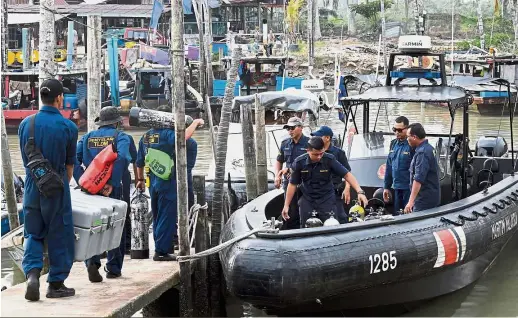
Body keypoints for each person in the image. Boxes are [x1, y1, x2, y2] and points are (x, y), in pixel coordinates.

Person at [19, 79, 78, 300]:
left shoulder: (27, 124)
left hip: (32, 186)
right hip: (57, 186)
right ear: (59, 98)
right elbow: (70, 165)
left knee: (33, 233)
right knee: (59, 233)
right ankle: (55, 284)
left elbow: (27, 161)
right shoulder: (68, 127)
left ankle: (32, 275)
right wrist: (59, 183)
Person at [74, 106, 132, 282]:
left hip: (91, 188)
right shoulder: (121, 137)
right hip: (113, 189)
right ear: (117, 123)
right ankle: (113, 268)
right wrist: (111, 183)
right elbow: (123, 158)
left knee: (94, 225)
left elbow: (73, 159)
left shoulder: (86, 138)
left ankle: (92, 262)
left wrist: (83, 182)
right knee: (116, 225)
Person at [135, 114, 203, 261]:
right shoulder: (167, 133)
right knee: (168, 214)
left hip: (152, 180)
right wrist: (196, 122)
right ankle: (161, 251)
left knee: (158, 214)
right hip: (168, 180)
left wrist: (139, 179)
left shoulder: (146, 136)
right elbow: (182, 137)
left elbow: (139, 162)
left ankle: (161, 245)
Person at [283, 136, 368, 227]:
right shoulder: (299, 162)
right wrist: (286, 205)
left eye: (321, 153)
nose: (319, 157)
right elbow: (292, 184)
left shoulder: (329, 159)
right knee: (306, 226)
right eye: (316, 154)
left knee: (332, 225)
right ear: (308, 150)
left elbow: (347, 175)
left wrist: (360, 191)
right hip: (308, 198)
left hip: (326, 198)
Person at [274, 117, 310, 229]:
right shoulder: (285, 143)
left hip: (306, 181)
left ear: (301, 128)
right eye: (288, 128)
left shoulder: (309, 143)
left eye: (292, 128)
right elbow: (279, 160)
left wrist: (292, 170)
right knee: (290, 210)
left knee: (307, 209)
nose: (290, 131)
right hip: (289, 182)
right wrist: (277, 175)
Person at [311, 126, 351, 223]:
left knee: (340, 217)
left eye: (319, 136)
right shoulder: (312, 152)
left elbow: (347, 173)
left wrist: (347, 189)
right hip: (317, 191)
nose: (315, 139)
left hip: (334, 190)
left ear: (327, 138)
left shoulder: (339, 153)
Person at [404, 123, 441, 213]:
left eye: (408, 136)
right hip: (432, 195)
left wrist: (410, 202)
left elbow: (418, 179)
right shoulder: (430, 148)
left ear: (414, 137)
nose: (407, 139)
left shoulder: (422, 153)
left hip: (424, 199)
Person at [383, 116, 414, 215]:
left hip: (409, 189)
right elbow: (389, 167)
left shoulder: (412, 145)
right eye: (394, 130)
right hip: (396, 188)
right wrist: (386, 187)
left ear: (407, 129)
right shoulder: (393, 144)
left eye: (400, 130)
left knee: (409, 216)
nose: (397, 132)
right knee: (397, 215)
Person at [123, 136, 138, 255]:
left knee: (99, 212)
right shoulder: (125, 138)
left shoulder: (88, 137)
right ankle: (126, 244)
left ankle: (99, 249)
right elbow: (135, 160)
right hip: (121, 178)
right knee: (124, 209)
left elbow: (77, 160)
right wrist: (139, 179)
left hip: (96, 179)